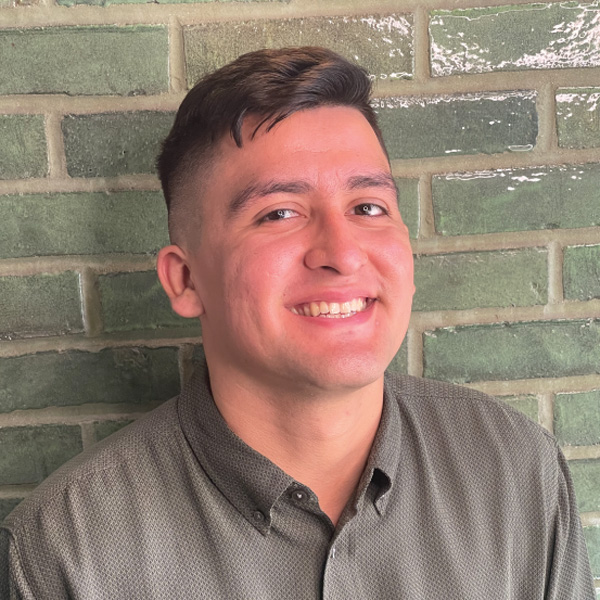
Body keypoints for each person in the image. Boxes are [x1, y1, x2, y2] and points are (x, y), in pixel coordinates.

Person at [0, 47, 594, 599]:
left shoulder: (515, 471)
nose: (342, 253)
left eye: (368, 207)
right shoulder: (64, 552)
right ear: (185, 280)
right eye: (279, 213)